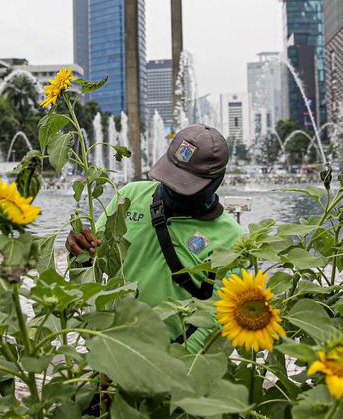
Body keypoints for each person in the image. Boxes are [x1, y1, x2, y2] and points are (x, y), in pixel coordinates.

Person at [66, 124, 242, 351]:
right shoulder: (129, 196)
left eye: (185, 185)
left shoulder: (231, 239)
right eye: (171, 179)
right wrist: (79, 251)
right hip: (115, 345)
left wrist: (160, 365)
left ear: (216, 181)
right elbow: (97, 261)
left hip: (175, 362)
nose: (174, 190)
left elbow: (216, 323)